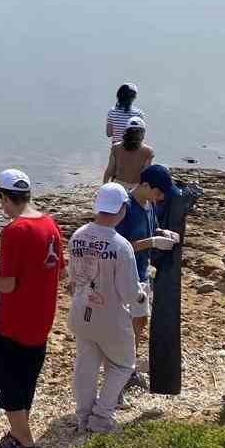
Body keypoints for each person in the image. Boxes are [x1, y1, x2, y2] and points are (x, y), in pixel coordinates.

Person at [0, 170, 62, 448]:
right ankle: (15, 434)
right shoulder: (50, 224)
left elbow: (7, 284)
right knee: (26, 380)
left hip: (16, 319)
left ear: (5, 198)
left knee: (7, 382)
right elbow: (58, 270)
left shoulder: (14, 230)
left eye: (1, 201)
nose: (1, 207)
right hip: (42, 317)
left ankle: (27, 446)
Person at [67, 184, 145, 434]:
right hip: (109, 316)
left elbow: (72, 279)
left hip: (81, 310)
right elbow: (130, 292)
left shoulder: (78, 235)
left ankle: (84, 416)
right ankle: (101, 417)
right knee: (123, 365)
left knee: (86, 366)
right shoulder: (120, 246)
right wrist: (143, 300)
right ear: (122, 209)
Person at [114, 165, 179, 355]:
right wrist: (152, 242)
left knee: (140, 319)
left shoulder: (149, 205)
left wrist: (162, 232)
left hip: (142, 271)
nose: (160, 199)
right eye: (158, 193)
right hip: (124, 274)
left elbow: (152, 229)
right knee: (126, 322)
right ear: (145, 185)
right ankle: (124, 363)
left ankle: (131, 361)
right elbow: (119, 246)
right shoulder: (125, 207)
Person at [103, 118, 154, 190]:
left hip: (118, 186)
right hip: (136, 188)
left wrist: (105, 186)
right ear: (143, 133)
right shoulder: (148, 151)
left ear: (126, 132)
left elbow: (110, 170)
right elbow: (146, 175)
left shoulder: (116, 147)